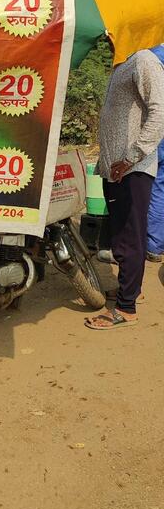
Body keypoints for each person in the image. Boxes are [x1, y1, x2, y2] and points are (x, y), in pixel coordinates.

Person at [85, 45, 164, 331]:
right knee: (122, 233)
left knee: (129, 237)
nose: (107, 39)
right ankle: (132, 289)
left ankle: (126, 309)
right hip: (115, 169)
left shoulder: (144, 60)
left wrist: (132, 157)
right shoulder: (122, 65)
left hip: (132, 169)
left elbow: (159, 112)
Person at [146, 44, 164, 262]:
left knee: (148, 185)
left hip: (155, 130)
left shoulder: (150, 55)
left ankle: (152, 245)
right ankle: (156, 244)